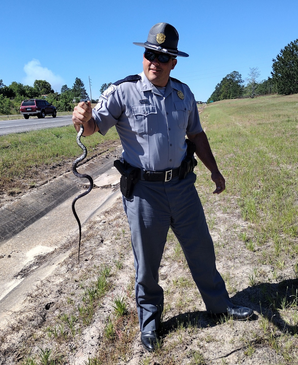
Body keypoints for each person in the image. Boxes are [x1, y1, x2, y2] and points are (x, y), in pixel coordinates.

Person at [72, 22, 253, 352]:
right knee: (148, 262)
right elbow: (94, 126)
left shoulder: (184, 94)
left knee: (201, 249)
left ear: (173, 62)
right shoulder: (122, 91)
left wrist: (215, 171)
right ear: (143, 56)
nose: (154, 60)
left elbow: (196, 135)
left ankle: (220, 305)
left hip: (183, 187)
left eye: (162, 56)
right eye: (149, 53)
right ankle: (151, 321)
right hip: (144, 193)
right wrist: (82, 118)